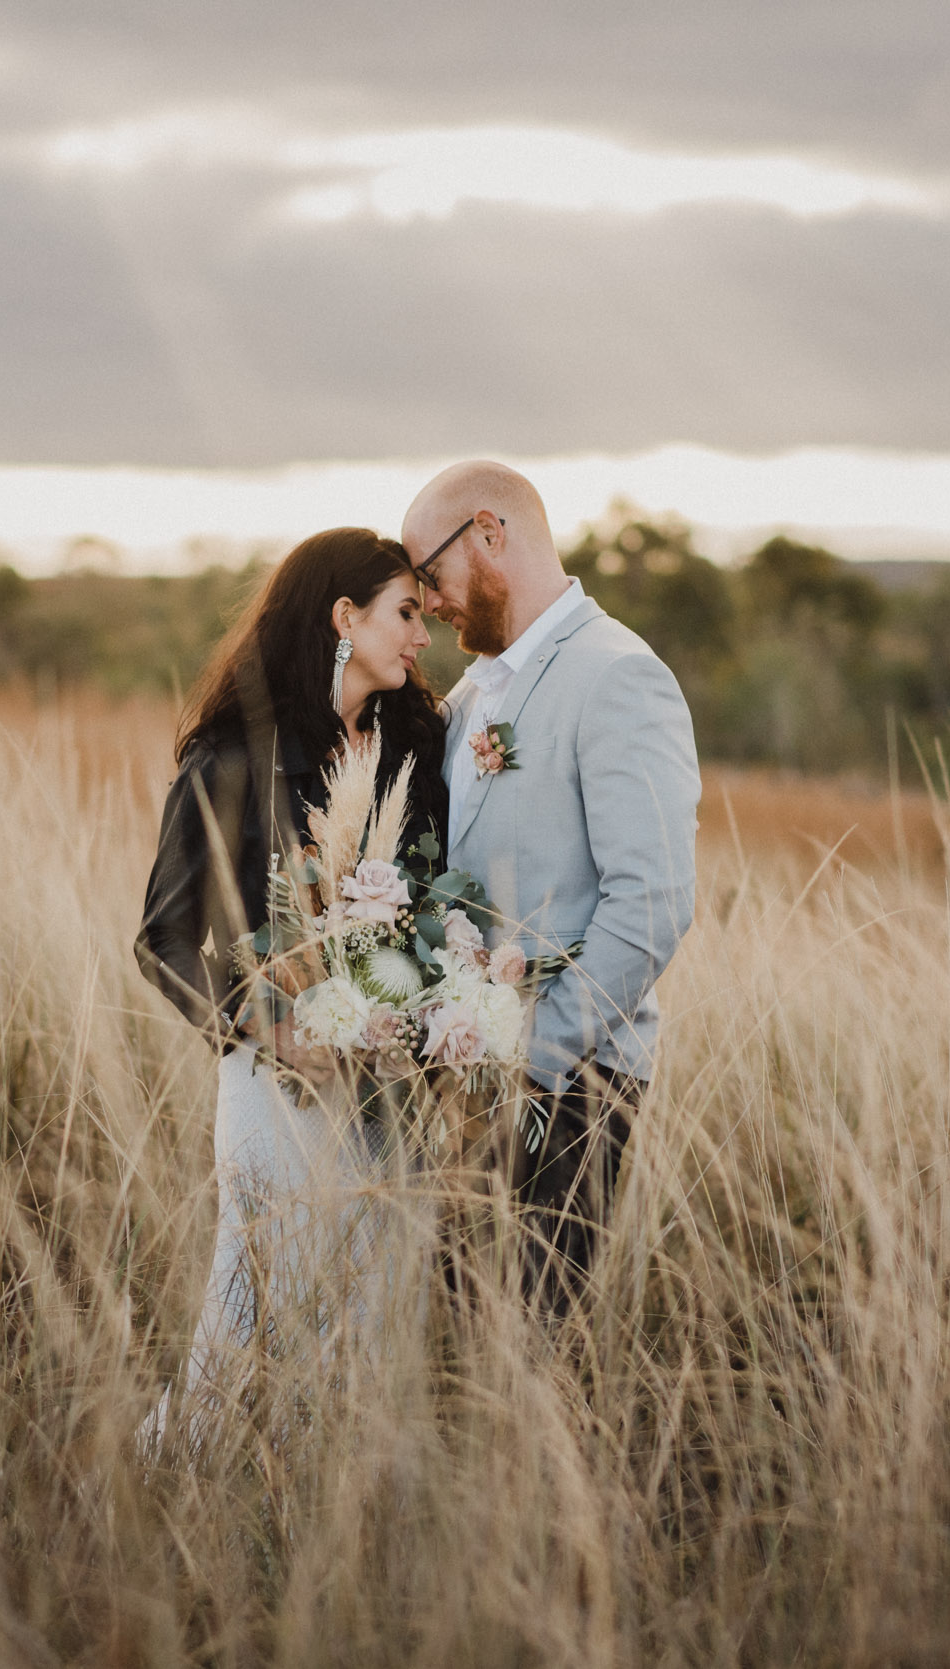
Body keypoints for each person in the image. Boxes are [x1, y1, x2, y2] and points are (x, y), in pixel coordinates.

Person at [134, 527, 449, 1433]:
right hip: (275, 1081)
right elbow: (164, 937)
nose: (422, 637)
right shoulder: (232, 757)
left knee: (374, 1315)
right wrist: (267, 1028)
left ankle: (339, 1516)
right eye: (406, 614)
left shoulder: (415, 750)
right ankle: (190, 1487)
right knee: (251, 1306)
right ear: (345, 616)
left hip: (389, 1086)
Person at [401, 462, 699, 1318]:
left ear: (490, 535)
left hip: (569, 1089)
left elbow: (653, 899)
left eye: (431, 575)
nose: (428, 603)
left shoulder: (615, 675)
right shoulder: (475, 690)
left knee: (525, 1350)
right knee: (457, 1340)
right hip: (467, 1083)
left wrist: (531, 1059)